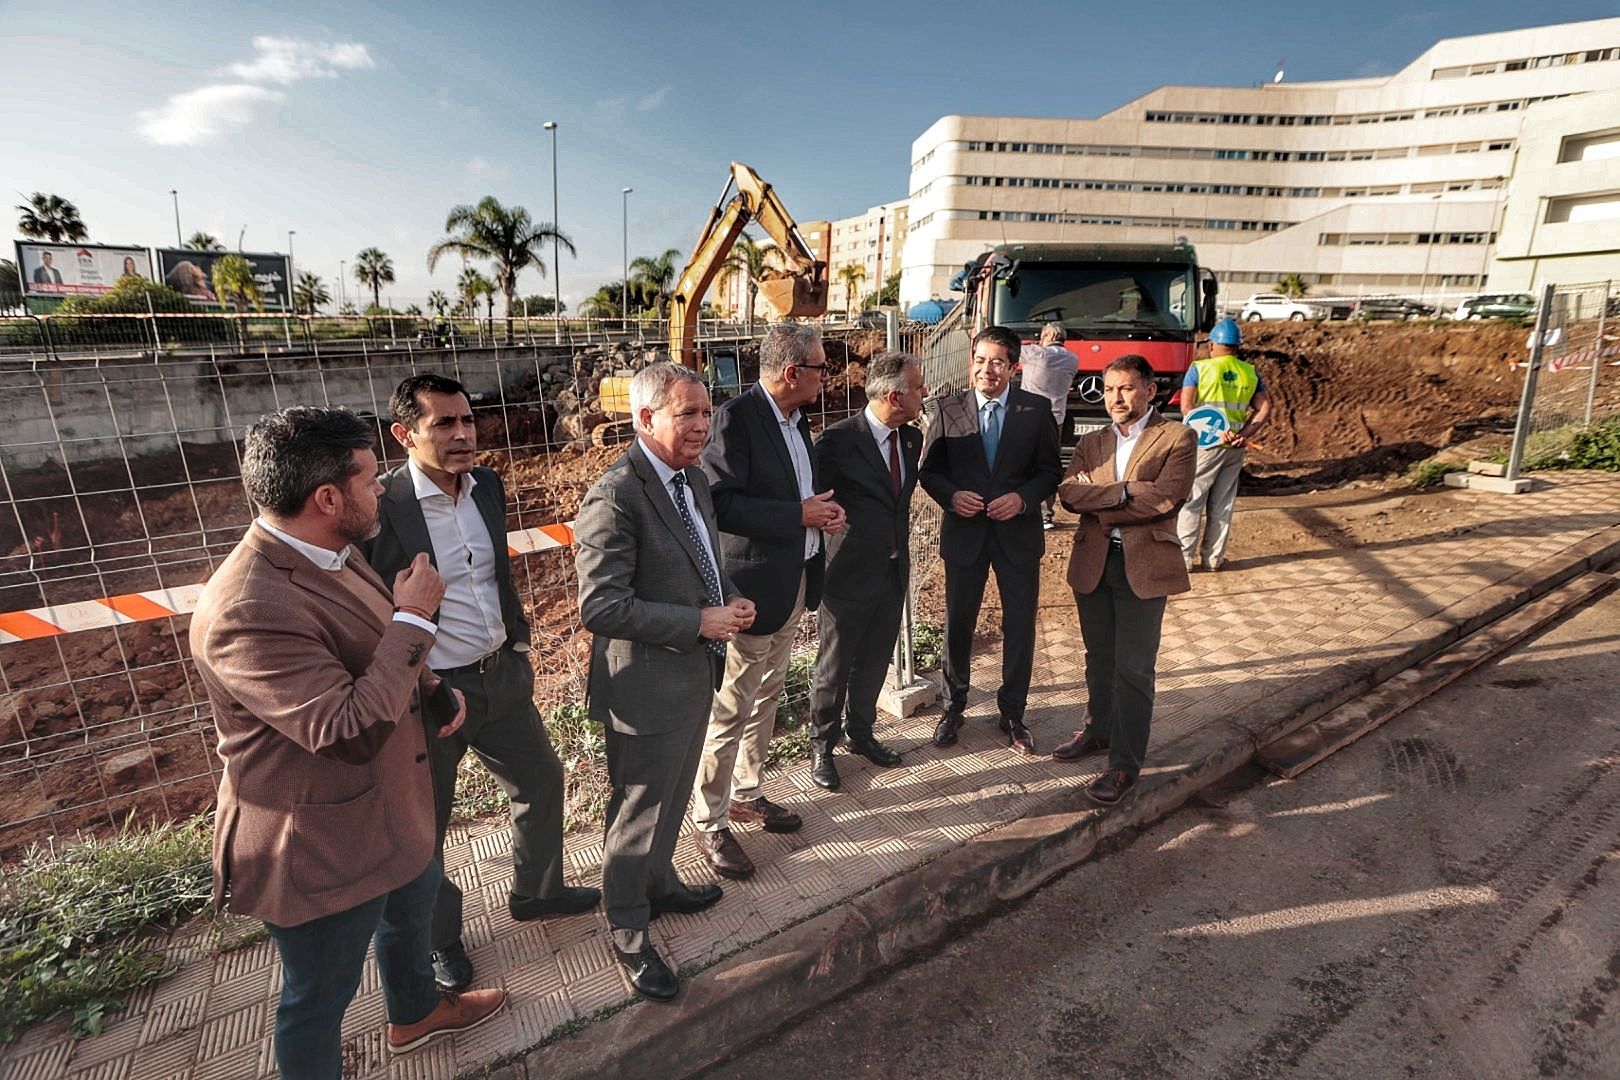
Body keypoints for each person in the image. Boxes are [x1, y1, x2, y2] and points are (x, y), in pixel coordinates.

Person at [189, 406, 505, 1077]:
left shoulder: (333, 552)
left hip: (392, 808)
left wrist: (433, 692)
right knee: (318, 999)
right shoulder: (248, 607)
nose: (383, 488)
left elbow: (371, 645)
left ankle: (415, 1015)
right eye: (368, 479)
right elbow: (346, 729)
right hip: (322, 842)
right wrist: (416, 614)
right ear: (327, 498)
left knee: (409, 922)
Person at [365, 374, 598, 993]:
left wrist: (519, 648)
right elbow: (365, 608)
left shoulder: (487, 486)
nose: (464, 434)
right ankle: (440, 941)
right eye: (444, 423)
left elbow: (494, 577)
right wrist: (421, 680)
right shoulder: (383, 507)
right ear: (403, 434)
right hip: (431, 693)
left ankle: (537, 893)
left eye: (467, 420)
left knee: (542, 779)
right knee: (429, 823)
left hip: (500, 677)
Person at [574, 362, 757, 1002]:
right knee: (638, 807)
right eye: (688, 414)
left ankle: (658, 880)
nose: (703, 425)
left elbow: (704, 560)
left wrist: (730, 597)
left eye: (706, 413)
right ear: (645, 417)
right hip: (645, 686)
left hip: (689, 672)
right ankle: (626, 922)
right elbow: (599, 606)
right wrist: (699, 620)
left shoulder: (692, 479)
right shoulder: (616, 495)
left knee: (674, 794)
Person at [693, 324, 842, 878]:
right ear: (791, 372)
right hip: (752, 590)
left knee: (767, 694)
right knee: (731, 706)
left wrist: (820, 512)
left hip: (793, 580)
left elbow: (794, 496)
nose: (826, 378)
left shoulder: (798, 423)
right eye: (821, 368)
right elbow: (722, 504)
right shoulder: (736, 419)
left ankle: (747, 791)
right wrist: (797, 515)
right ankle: (711, 821)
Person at [1052, 355, 1196, 805]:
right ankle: (1097, 732)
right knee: (1098, 658)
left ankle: (1124, 765)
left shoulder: (1177, 437)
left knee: (1133, 668)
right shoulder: (1092, 442)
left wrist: (1102, 500)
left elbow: (1164, 500)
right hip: (1094, 562)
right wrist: (1125, 491)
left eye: (1126, 388)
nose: (1115, 397)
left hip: (1145, 566)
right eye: (1110, 388)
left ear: (1150, 390)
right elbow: (1068, 494)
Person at [919, 324, 1062, 755]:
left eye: (997, 362)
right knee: (958, 623)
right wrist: (951, 496)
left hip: (1017, 536)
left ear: (1014, 367)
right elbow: (929, 470)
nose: (987, 370)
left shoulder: (1035, 411)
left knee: (1018, 624)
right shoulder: (947, 409)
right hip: (965, 535)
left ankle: (1013, 713)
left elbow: (1050, 472)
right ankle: (953, 706)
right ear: (971, 363)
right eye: (980, 360)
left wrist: (1022, 500)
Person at [807, 350, 926, 789]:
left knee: (875, 660)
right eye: (917, 387)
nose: (924, 393)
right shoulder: (837, 442)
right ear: (895, 396)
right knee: (834, 666)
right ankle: (822, 745)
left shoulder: (910, 440)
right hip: (847, 574)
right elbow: (814, 499)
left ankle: (861, 733)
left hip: (892, 572)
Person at [1176, 318, 1271, 571]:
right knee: (1223, 503)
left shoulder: (1199, 368)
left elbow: (1187, 407)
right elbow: (1264, 408)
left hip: (1206, 444)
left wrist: (1212, 431)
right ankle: (1214, 559)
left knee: (1193, 499)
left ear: (1214, 345)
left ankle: (1184, 559)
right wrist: (1245, 433)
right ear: (1236, 346)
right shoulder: (1250, 372)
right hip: (1235, 446)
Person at [1018, 322, 1079, 528]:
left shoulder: (1036, 354)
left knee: (1025, 461)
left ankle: (1025, 507)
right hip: (1057, 419)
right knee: (1049, 464)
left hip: (1029, 416)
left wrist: (1034, 343)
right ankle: (1046, 515)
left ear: (1047, 335)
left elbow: (1010, 349)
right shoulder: (1073, 359)